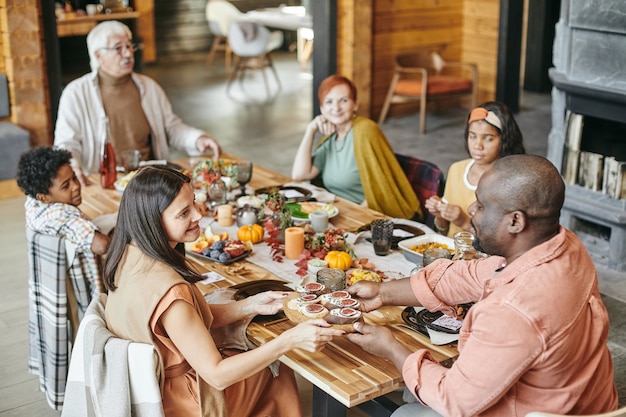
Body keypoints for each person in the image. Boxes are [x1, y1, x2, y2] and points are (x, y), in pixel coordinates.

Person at [346, 155, 618, 416]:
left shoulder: (512, 310)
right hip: (591, 402)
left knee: (406, 412)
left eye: (481, 204)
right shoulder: (564, 245)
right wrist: (383, 292)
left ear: (515, 221)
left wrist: (392, 348)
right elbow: (470, 275)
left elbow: (454, 400)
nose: (471, 211)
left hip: (533, 411)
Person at [103, 166, 344, 417]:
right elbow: (217, 376)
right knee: (275, 366)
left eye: (194, 203)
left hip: (153, 389)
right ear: (152, 220)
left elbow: (186, 324)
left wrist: (249, 305)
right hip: (186, 402)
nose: (198, 215)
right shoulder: (171, 294)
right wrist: (289, 341)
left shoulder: (127, 255)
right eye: (184, 213)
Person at [54, 21, 221, 186]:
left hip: (150, 180)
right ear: (98, 56)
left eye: (129, 46)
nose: (128, 54)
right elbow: (67, 143)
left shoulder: (149, 87)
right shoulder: (76, 93)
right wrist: (72, 165)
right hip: (105, 182)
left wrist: (197, 139)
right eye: (118, 48)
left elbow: (171, 127)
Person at [291, 74, 421, 220]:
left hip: (365, 216)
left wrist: (348, 216)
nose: (336, 108)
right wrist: (311, 130)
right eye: (329, 102)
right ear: (322, 108)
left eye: (344, 100)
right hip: (337, 212)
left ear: (355, 104)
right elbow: (299, 175)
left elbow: (378, 189)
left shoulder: (365, 130)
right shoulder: (331, 138)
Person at [16, 146, 111, 299]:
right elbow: (102, 245)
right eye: (65, 186)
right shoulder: (63, 218)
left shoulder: (33, 204)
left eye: (74, 177)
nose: (75, 186)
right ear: (44, 197)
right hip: (93, 292)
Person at [424, 101, 525, 237]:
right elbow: (444, 232)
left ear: (505, 140)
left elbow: (504, 241)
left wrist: (464, 222)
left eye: (488, 139)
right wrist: (441, 215)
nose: (478, 145)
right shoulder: (456, 169)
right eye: (472, 136)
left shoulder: (508, 182)